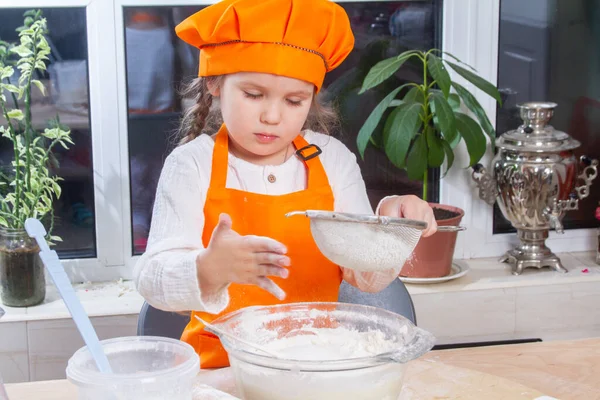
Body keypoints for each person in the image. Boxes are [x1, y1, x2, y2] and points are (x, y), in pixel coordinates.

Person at [134, 0, 437, 369]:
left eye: (294, 101)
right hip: (222, 370)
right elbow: (152, 280)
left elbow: (366, 278)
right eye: (253, 94)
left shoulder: (332, 159)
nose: (272, 116)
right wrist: (209, 268)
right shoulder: (191, 165)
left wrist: (390, 225)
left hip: (318, 363)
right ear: (215, 82)